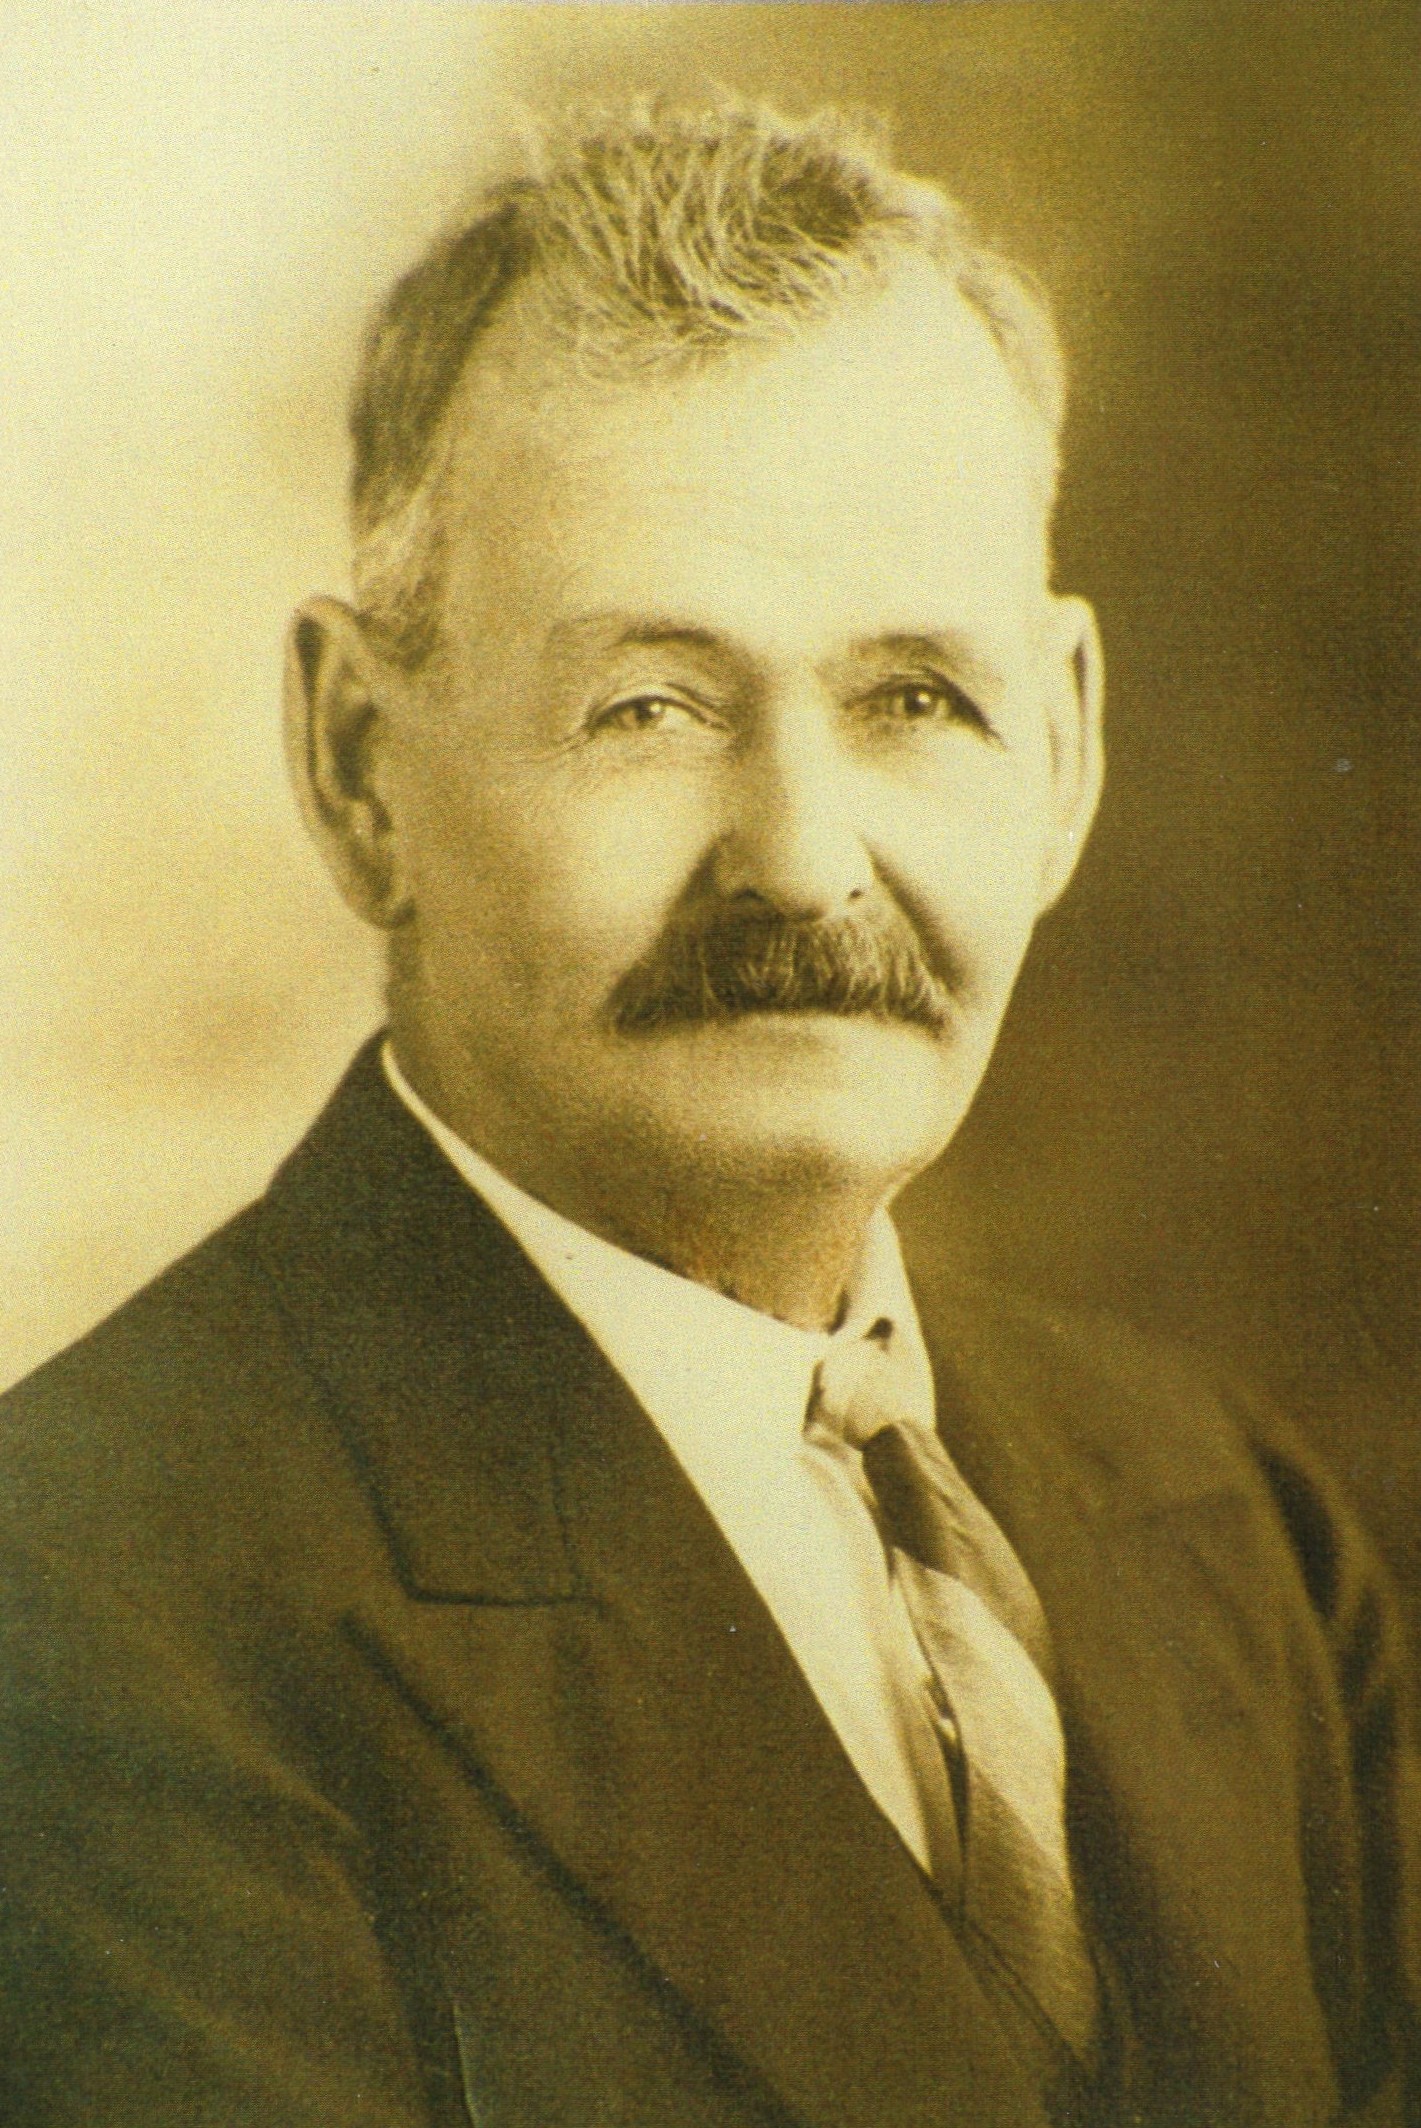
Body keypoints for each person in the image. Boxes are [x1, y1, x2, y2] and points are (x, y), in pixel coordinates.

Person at [1, 99, 1416, 2128]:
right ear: (358, 765)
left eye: (914, 697)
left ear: (1066, 752)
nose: (803, 860)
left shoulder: (1246, 1540)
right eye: (649, 705)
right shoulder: (78, 1607)